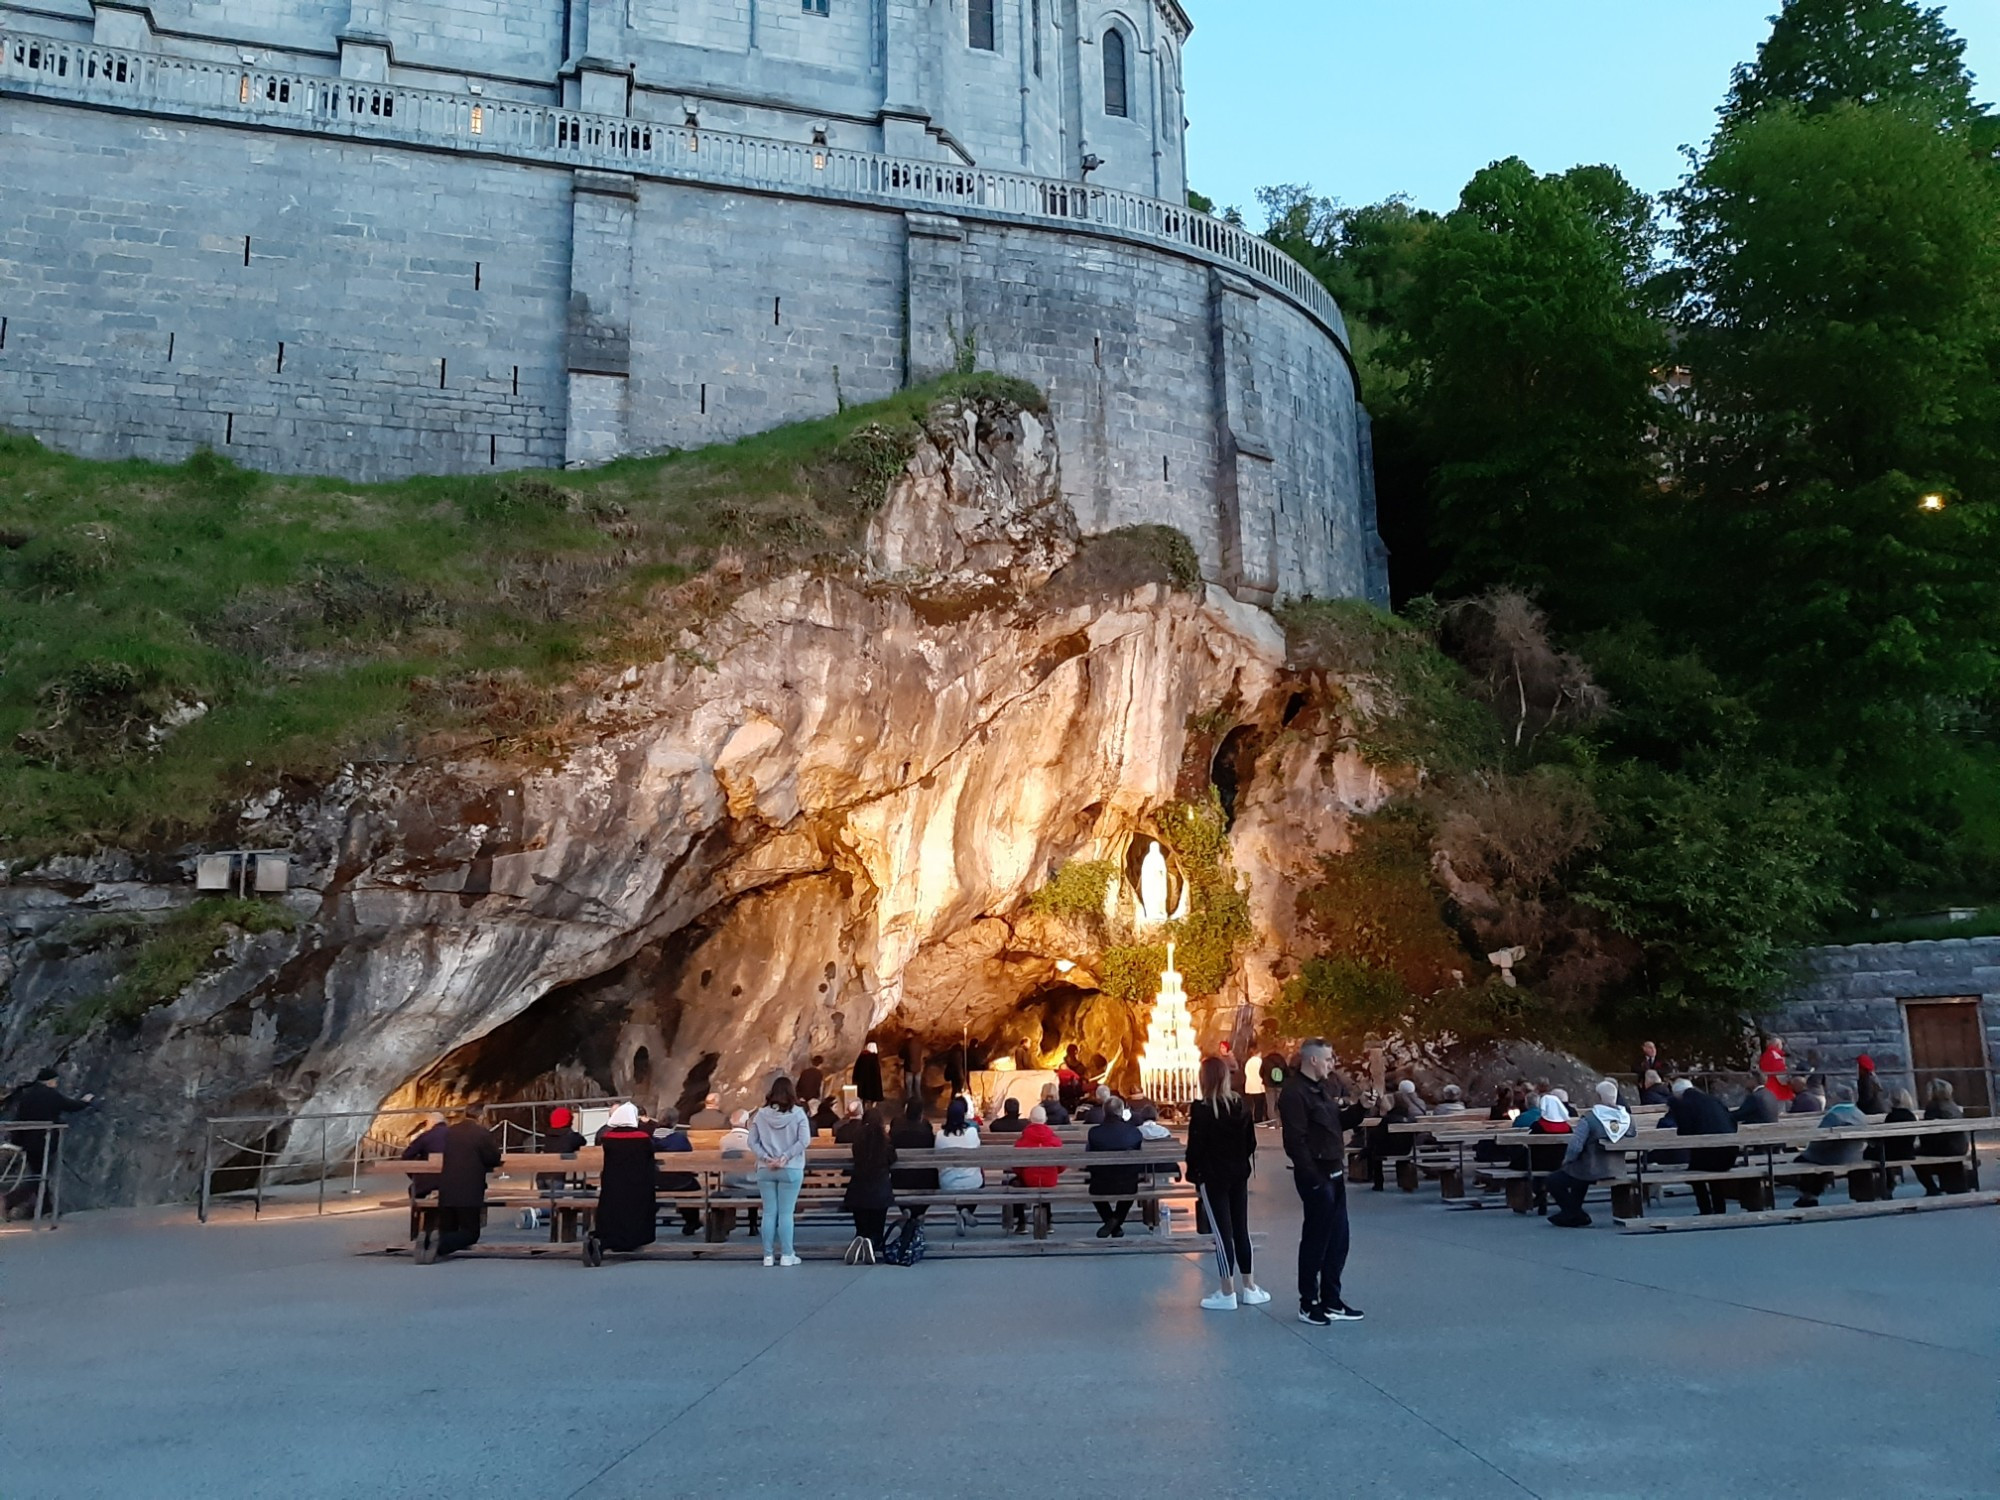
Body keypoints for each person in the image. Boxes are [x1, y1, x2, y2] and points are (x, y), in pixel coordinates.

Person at [1278, 1039, 1367, 1325]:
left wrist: (1361, 1109)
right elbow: (1295, 1139)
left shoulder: (1323, 1089)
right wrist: (1311, 1177)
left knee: (1339, 1239)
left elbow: (1335, 1123)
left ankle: (1331, 1298)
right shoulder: (1294, 1093)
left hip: (1334, 1169)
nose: (1332, 1064)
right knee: (1317, 1239)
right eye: (1328, 1059)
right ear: (1313, 1060)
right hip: (1316, 1173)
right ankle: (1309, 1302)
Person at [1187, 1055, 1266, 1309]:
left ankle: (1227, 1291)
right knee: (1242, 1229)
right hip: (1238, 1173)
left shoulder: (1202, 1109)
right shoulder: (1241, 1106)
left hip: (1213, 1176)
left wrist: (1194, 1174)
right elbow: (1251, 1143)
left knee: (1222, 1234)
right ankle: (1250, 1286)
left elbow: (1195, 1147)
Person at [3, 1067, 95, 1219]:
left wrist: (16, 1141)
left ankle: (45, 1207)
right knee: (41, 1176)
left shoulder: (27, 1096)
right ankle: (11, 1200)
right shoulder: (51, 1095)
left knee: (39, 1174)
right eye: (55, 1081)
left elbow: (19, 1118)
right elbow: (71, 1106)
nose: (56, 1083)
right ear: (50, 1081)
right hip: (44, 1142)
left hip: (27, 1142)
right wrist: (86, 1101)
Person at [1544, 1081, 1632, 1228]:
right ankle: (1571, 1214)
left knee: (1554, 1180)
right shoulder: (1627, 1119)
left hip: (1591, 1167)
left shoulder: (1590, 1119)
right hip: (1618, 1168)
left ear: (1598, 1097)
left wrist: (1567, 1160)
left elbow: (1575, 1146)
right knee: (1577, 1176)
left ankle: (1575, 1213)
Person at [418, 1104, 502, 1257]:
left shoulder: (451, 1132)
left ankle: (429, 1242)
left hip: (447, 1189)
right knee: (470, 1233)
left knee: (449, 1228)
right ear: (481, 1116)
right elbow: (493, 1158)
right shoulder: (481, 1133)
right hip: (469, 1191)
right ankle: (438, 1244)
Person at [750, 1077, 811, 1266]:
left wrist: (767, 1158)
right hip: (790, 1168)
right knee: (785, 1213)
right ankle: (787, 1254)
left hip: (765, 1168)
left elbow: (752, 1141)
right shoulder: (798, 1114)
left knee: (769, 1212)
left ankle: (767, 1255)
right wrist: (785, 1157)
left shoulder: (760, 1115)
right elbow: (804, 1141)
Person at [592, 1102, 665, 1253]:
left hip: (614, 1183)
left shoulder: (608, 1138)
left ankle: (609, 1240)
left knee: (613, 1211)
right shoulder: (642, 1138)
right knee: (635, 1211)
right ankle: (635, 1239)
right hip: (637, 1184)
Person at [1671, 1078, 1741, 1215]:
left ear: (1678, 1094)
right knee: (1711, 1174)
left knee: (1694, 1173)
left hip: (1710, 1155)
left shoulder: (1685, 1104)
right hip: (1729, 1154)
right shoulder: (1713, 1100)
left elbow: (1685, 1131)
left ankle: (1705, 1209)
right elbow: (1732, 1122)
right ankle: (1720, 1208)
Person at [1791, 1087, 1869, 1207]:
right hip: (1854, 1155)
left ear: (1837, 1098)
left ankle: (1809, 1196)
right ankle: (1811, 1195)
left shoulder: (1834, 1115)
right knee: (1818, 1159)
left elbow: (1819, 1140)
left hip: (1833, 1157)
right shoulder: (1861, 1115)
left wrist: (1808, 1150)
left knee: (1805, 1160)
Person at [1085, 1096, 1144, 1238]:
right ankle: (1115, 1222)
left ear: (1104, 1112)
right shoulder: (1134, 1132)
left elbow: (1088, 1159)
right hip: (1127, 1183)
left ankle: (1111, 1222)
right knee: (1130, 1190)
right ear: (1121, 1111)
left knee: (1094, 1191)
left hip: (1101, 1183)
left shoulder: (1094, 1133)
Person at [842, 1106, 897, 1252]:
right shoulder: (885, 1142)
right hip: (880, 1191)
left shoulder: (858, 1141)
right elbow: (892, 1158)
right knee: (877, 1227)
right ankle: (874, 1243)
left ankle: (861, 1239)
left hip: (858, 1190)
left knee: (862, 1226)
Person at [1006, 1105, 1064, 1234]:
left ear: (1030, 1119)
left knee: (1016, 1184)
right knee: (1044, 1180)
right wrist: (1054, 1171)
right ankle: (1048, 1222)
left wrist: (1022, 1173)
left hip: (1029, 1178)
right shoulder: (1054, 1139)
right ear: (1045, 1119)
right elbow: (1062, 1164)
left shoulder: (1023, 1139)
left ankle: (1021, 1223)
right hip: (1049, 1179)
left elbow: (1016, 1165)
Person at [935, 1095, 984, 1233]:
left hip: (947, 1182)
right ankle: (966, 1210)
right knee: (978, 1178)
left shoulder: (940, 1135)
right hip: (972, 1182)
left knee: (957, 1176)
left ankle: (962, 1211)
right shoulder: (972, 1133)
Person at [652, 1107, 703, 1236]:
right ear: (675, 1122)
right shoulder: (679, 1139)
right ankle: (691, 1221)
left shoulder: (650, 1139)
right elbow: (689, 1159)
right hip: (679, 1181)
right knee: (693, 1187)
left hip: (656, 1180)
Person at [1915, 1079, 1970, 1196]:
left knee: (1913, 1156)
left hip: (1945, 1148)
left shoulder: (1933, 1107)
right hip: (1960, 1146)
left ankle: (1931, 1188)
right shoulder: (1953, 1106)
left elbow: (1928, 1134)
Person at [889, 1095, 939, 1221]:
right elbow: (932, 1148)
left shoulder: (896, 1126)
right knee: (931, 1178)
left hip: (900, 1175)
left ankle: (908, 1213)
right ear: (921, 1113)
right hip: (923, 1176)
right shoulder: (925, 1128)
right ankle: (918, 1215)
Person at [719, 1109, 760, 1238]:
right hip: (752, 1181)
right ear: (747, 1122)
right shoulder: (753, 1140)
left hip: (730, 1181)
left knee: (724, 1189)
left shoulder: (724, 1140)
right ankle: (753, 1224)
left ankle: (727, 1224)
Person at [1871, 1088, 1920, 1191]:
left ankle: (1887, 1185)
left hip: (1892, 1154)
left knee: (1874, 1154)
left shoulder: (1891, 1116)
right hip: (1908, 1152)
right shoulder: (1911, 1116)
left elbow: (1885, 1137)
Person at [1244, 1048, 1268, 1124]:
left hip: (1250, 1086)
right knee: (1260, 1104)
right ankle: (1259, 1120)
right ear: (1258, 1053)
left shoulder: (1248, 1062)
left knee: (1254, 1104)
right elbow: (1262, 1072)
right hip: (1259, 1086)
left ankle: (1255, 1118)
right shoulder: (1260, 1061)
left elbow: (1246, 1072)